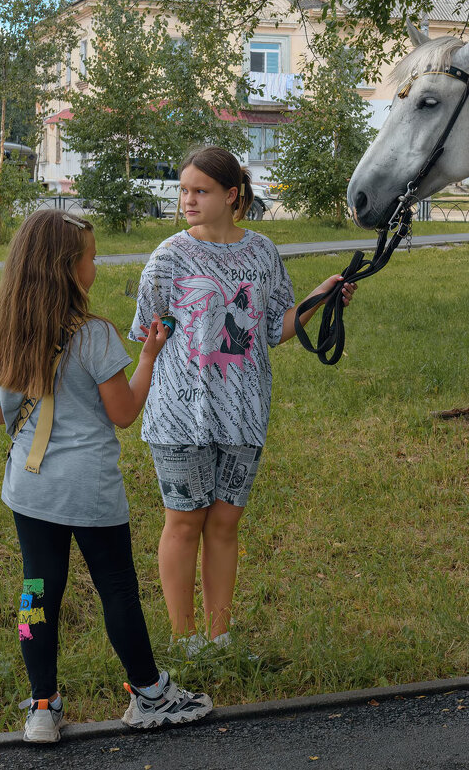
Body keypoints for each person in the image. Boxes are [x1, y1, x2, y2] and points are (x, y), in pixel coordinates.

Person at [0, 210, 214, 743]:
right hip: (88, 488)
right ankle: (148, 693)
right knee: (117, 589)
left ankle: (42, 705)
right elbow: (125, 411)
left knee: (34, 593)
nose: (97, 260)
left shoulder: (5, 335)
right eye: (90, 254)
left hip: (30, 485)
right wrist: (149, 356)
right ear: (68, 268)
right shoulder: (95, 336)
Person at [130, 147, 356, 655]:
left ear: (232, 196)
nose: (187, 199)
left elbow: (276, 328)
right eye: (184, 190)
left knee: (226, 525)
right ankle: (183, 639)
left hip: (244, 411)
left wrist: (321, 296)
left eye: (200, 191)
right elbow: (150, 333)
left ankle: (220, 637)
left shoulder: (262, 253)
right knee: (184, 521)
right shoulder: (167, 258)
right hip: (180, 416)